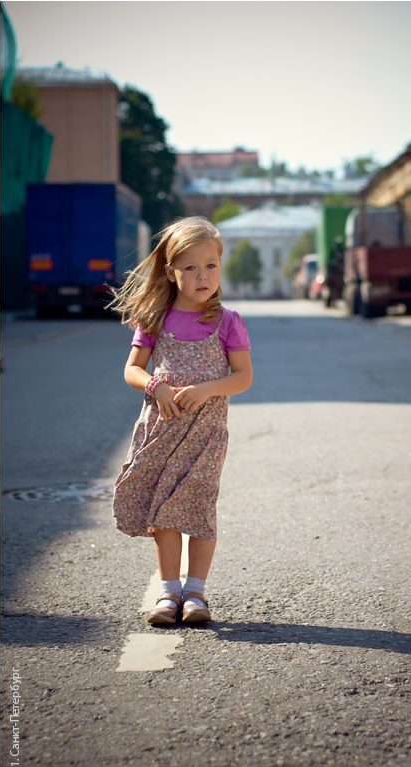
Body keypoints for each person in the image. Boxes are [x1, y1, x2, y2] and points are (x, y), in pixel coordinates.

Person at [109, 216, 252, 626]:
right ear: (171, 273)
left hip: (206, 433)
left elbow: (243, 377)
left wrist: (209, 389)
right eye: (189, 267)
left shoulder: (228, 321)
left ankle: (196, 595)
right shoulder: (155, 317)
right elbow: (132, 369)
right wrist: (155, 386)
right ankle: (169, 594)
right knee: (164, 509)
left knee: (200, 506)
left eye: (210, 265)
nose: (201, 275)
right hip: (161, 429)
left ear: (220, 266)